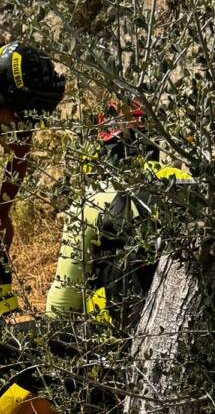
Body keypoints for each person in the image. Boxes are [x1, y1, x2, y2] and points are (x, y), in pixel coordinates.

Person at [45, 100, 193, 322]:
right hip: (190, 319)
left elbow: (64, 300)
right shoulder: (186, 183)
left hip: (118, 332)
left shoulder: (93, 200)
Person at [0, 43, 65, 319]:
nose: (22, 126)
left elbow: (20, 153)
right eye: (19, 117)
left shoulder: (12, 103)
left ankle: (2, 326)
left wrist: (3, 212)